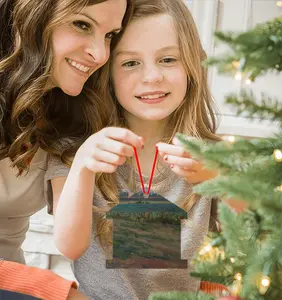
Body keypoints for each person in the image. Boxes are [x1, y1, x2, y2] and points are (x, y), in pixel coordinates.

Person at [45, 0, 224, 299]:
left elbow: (252, 236)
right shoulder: (76, 150)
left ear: (192, 64)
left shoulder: (210, 155)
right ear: (108, 76)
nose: (152, 76)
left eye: (168, 59)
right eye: (130, 63)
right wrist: (83, 168)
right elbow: (69, 246)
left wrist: (218, 178)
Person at [0, 0, 132, 298]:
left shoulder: (71, 116)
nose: (100, 54)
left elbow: (144, 267)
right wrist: (58, 292)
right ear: (32, 14)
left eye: (110, 35)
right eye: (82, 25)